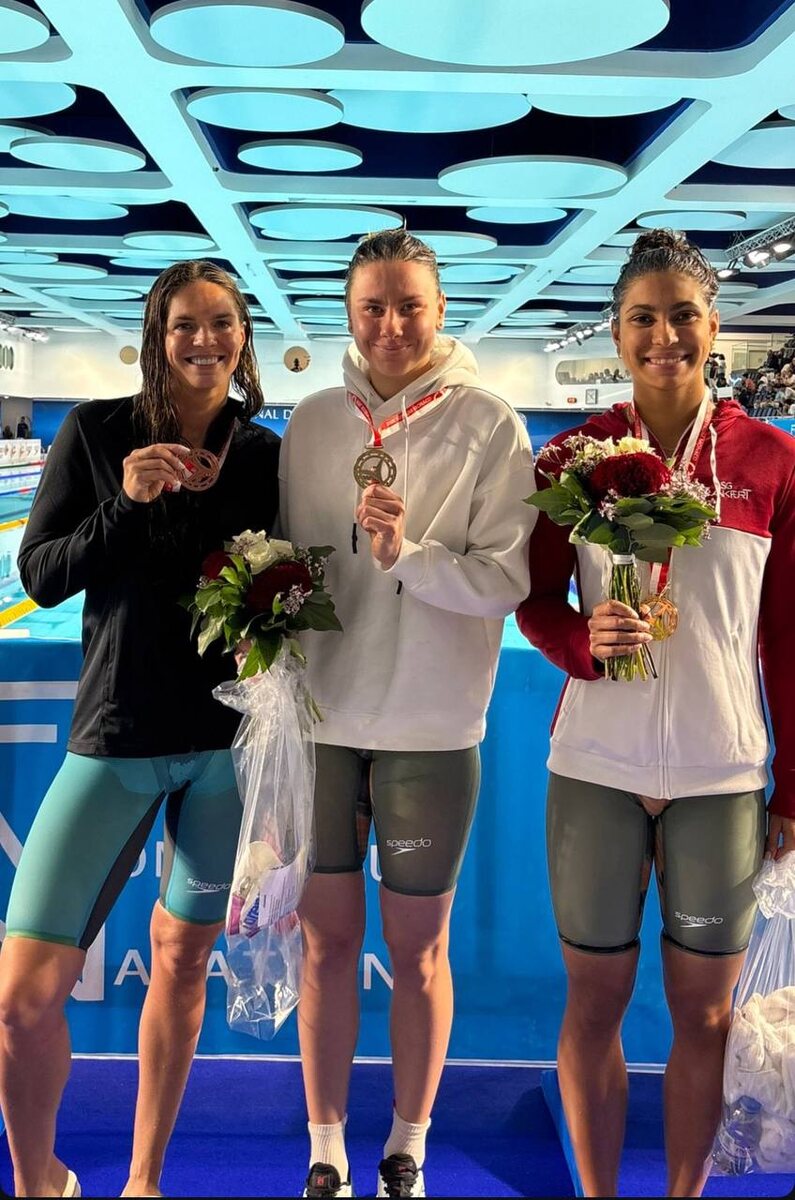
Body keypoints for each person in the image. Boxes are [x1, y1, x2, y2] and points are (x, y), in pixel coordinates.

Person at [517, 228, 795, 1198]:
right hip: (596, 762)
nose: (663, 335)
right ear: (617, 331)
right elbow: (535, 600)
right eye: (643, 318)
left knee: (703, 1014)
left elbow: (786, 638)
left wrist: (791, 789)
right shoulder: (572, 455)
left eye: (683, 316)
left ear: (714, 327)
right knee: (593, 1005)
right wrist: (580, 642)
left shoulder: (770, 459)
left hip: (722, 773)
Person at [0, 260, 280, 1198]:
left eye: (221, 322)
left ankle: (144, 1181)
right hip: (116, 739)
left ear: (243, 336)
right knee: (20, 998)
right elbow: (40, 576)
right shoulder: (95, 430)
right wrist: (127, 502)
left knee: (183, 958)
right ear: (157, 335)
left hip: (224, 753)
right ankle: (40, 1181)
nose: (204, 340)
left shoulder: (261, 455)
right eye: (184, 325)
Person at [279, 228, 534, 1199]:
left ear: (440, 311)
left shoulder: (489, 425)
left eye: (409, 306)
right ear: (348, 312)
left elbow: (505, 581)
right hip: (323, 723)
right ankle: (326, 1148)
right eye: (372, 307)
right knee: (324, 945)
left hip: (431, 727)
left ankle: (408, 1145)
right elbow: (284, 565)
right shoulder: (312, 423)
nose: (390, 325)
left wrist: (408, 558)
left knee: (419, 951)